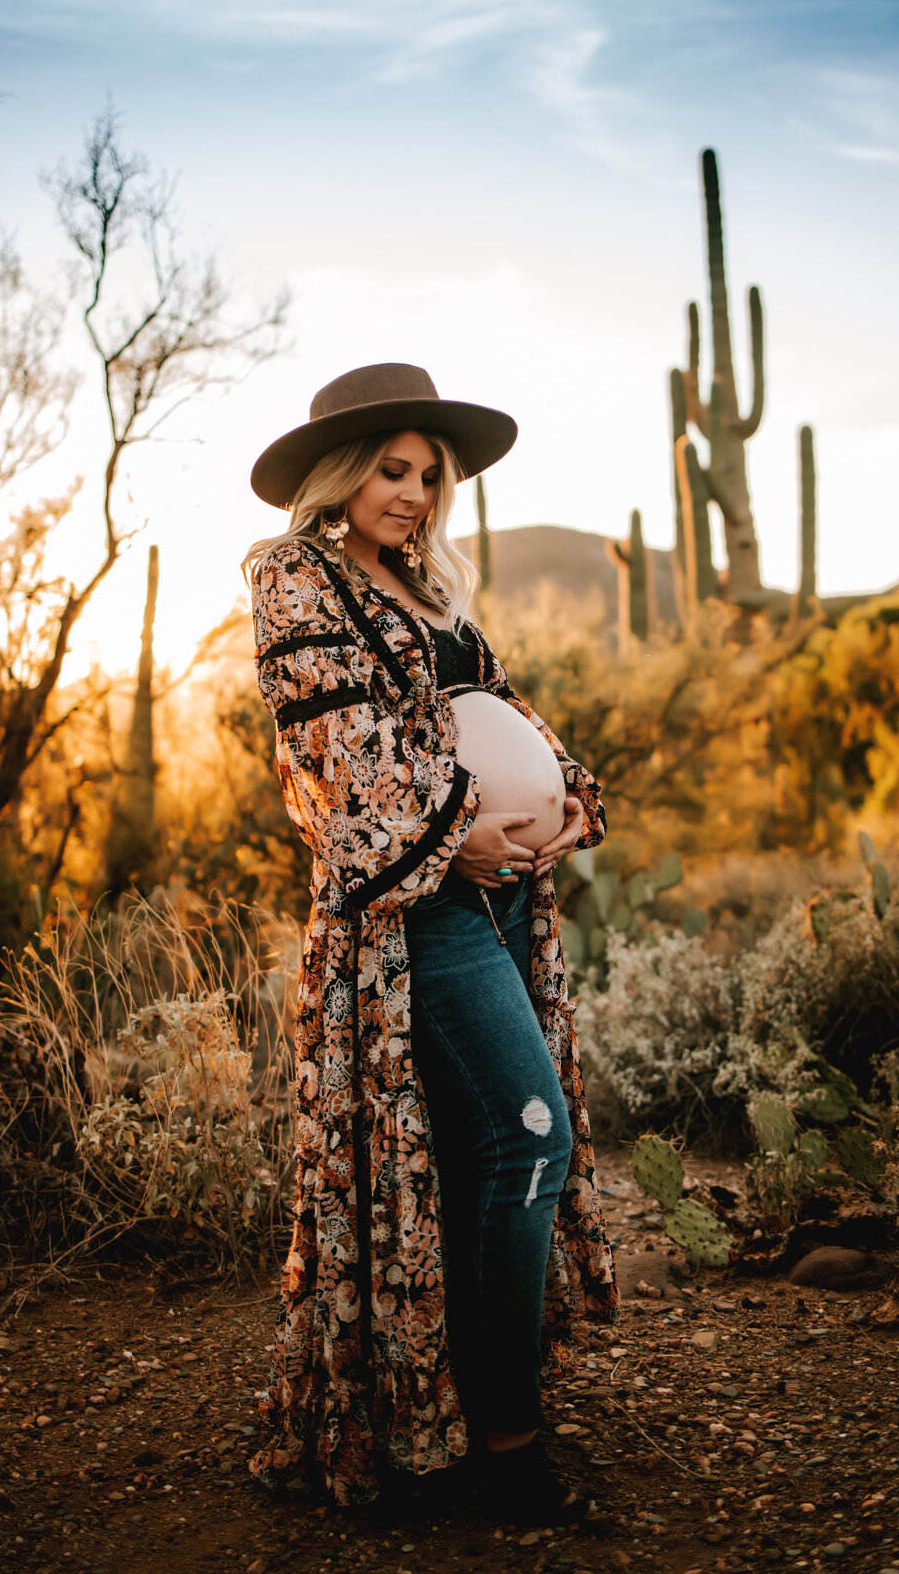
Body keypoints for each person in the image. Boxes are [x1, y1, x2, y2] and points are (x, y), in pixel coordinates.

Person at [242, 363, 618, 1524]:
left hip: (501, 895)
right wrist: (457, 838)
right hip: (413, 913)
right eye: (390, 471)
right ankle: (505, 1442)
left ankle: (441, 1417)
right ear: (341, 476)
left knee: (467, 1164)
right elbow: (332, 758)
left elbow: (511, 715)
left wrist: (563, 804)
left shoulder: (428, 590)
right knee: (529, 1134)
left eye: (428, 475)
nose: (412, 494)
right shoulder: (294, 577)